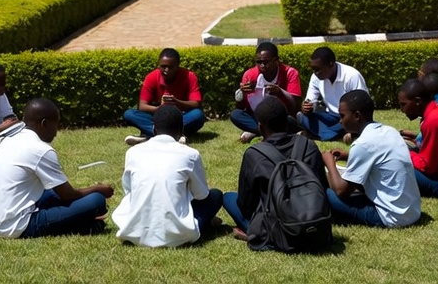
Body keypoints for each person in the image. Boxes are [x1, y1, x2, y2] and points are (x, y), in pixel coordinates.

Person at [0, 98, 114, 238]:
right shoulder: (41, 149)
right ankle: (85, 224)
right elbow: (68, 195)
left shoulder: (9, 140)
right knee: (96, 201)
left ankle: (83, 223)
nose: (56, 132)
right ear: (44, 123)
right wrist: (98, 189)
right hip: (18, 225)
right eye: (56, 125)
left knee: (51, 192)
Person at [112, 104, 223, 247]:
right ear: (181, 131)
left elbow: (129, 192)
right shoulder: (190, 154)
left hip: (134, 233)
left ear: (153, 129)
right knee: (216, 196)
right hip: (177, 236)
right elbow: (201, 195)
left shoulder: (133, 152)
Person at [222, 97, 327, 243]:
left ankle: (258, 233)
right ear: (287, 121)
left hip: (277, 222)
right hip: (312, 215)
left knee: (228, 198)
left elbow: (246, 205)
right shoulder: (308, 145)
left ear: (260, 127)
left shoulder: (254, 154)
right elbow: (323, 188)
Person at [319, 89, 421, 228]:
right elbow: (380, 158)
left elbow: (341, 192)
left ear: (356, 116)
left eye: (342, 116)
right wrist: (347, 156)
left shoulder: (363, 144)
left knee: (326, 194)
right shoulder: (389, 131)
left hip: (393, 217)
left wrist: (329, 162)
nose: (340, 121)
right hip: (412, 212)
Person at [123, 47, 206, 144]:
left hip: (180, 117)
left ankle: (149, 136)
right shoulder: (151, 77)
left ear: (177, 66)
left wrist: (176, 103)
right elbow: (142, 106)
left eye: (171, 67)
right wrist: (161, 108)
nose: (166, 70)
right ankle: (176, 136)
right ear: (159, 65)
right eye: (163, 66)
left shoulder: (189, 76)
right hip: (157, 117)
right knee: (129, 114)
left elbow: (196, 104)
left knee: (198, 115)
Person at [231, 42, 301, 142]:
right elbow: (241, 107)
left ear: (276, 60)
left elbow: (296, 106)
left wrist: (280, 92)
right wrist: (242, 93)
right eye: (258, 62)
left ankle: (258, 131)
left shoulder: (290, 73)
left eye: (266, 62)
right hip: (258, 117)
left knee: (291, 121)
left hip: (281, 117)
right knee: (235, 115)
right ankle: (267, 132)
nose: (262, 65)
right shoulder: (250, 74)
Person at [296, 46, 369, 141]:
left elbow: (362, 105)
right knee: (302, 117)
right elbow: (311, 101)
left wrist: (347, 120)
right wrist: (307, 108)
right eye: (313, 69)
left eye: (318, 69)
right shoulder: (315, 77)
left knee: (348, 122)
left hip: (348, 118)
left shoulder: (351, 75)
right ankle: (336, 135)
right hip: (330, 117)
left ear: (331, 64)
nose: (315, 73)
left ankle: (319, 134)